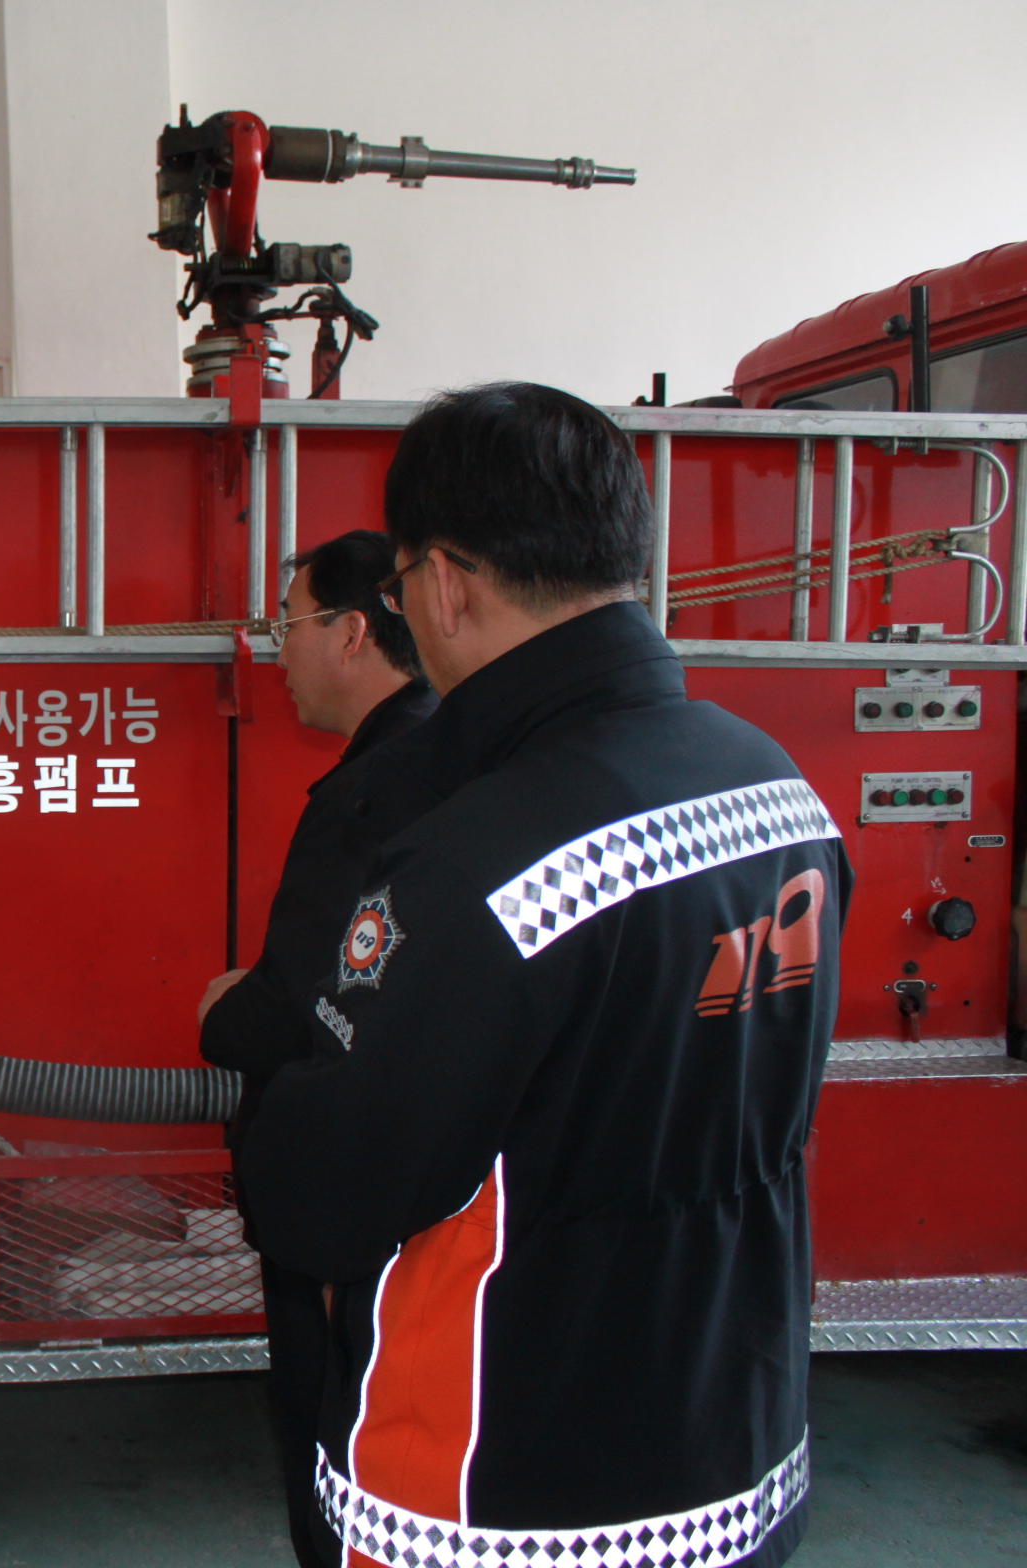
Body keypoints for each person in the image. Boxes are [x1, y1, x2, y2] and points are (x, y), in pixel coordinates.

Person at [241, 384, 847, 1568]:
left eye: (402, 586)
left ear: (445, 582)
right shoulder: (778, 789)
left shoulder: (479, 860)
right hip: (738, 1467)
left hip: (499, 1500)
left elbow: (324, 1194)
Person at [198, 529, 435, 1568]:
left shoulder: (375, 790)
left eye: (286, 623)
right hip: (406, 1195)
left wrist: (224, 1012)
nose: (275, 649)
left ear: (351, 631)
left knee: (333, 1446)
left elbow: (297, 1006)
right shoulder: (449, 753)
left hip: (341, 1211)